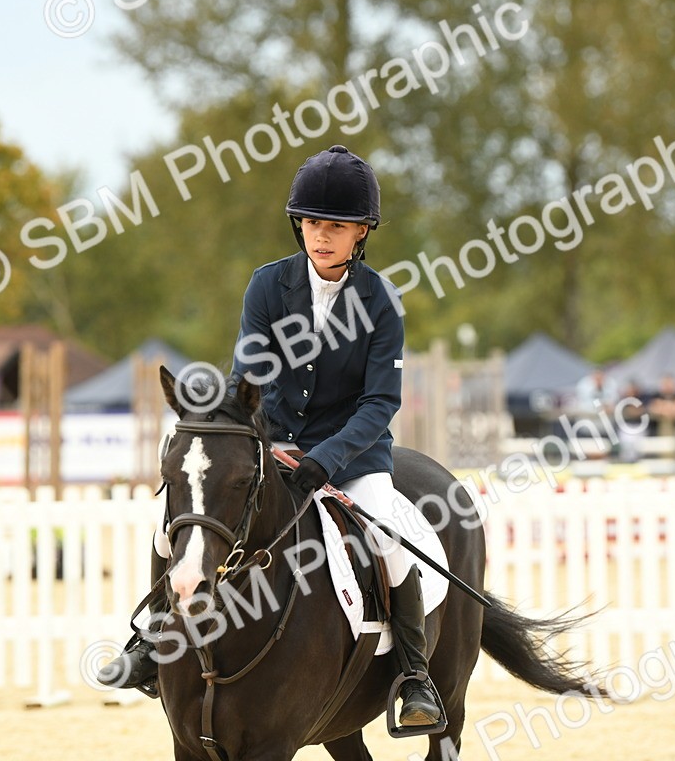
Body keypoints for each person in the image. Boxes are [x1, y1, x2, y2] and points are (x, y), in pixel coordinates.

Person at [97, 144, 445, 729]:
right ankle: (153, 640)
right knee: (172, 527)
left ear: (362, 231)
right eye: (312, 223)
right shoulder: (267, 286)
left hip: (354, 455)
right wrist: (247, 438)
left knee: (385, 532)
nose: (321, 236)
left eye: (336, 226)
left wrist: (327, 459)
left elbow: (380, 401)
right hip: (273, 447)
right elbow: (247, 379)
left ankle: (414, 674)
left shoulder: (380, 300)